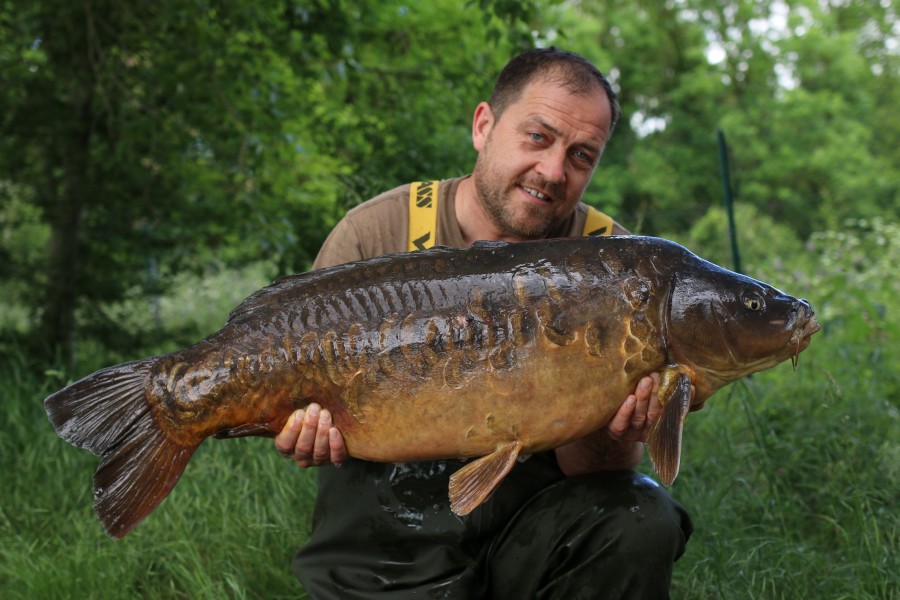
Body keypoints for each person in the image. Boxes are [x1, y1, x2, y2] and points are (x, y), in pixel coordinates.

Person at [274, 47, 694, 599]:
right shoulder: (375, 233)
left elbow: (594, 469)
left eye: (582, 155)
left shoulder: (617, 266)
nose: (553, 171)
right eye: (538, 137)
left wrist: (619, 429)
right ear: (484, 126)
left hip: (530, 535)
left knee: (641, 513)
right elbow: (287, 383)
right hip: (382, 549)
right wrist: (299, 426)